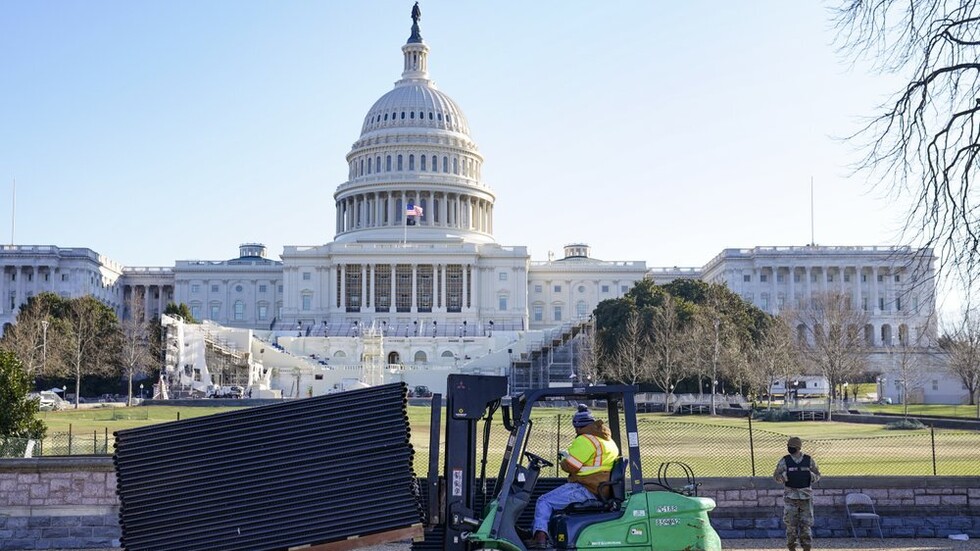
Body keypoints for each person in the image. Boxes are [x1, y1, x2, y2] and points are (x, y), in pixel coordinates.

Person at [530, 404, 619, 549]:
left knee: (544, 501)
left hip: (585, 489)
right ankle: (534, 531)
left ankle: (539, 539)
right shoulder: (606, 440)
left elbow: (570, 466)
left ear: (577, 427)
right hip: (598, 488)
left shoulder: (586, 440)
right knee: (551, 501)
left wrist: (562, 460)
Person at [773, 436, 821, 551]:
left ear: (798, 448)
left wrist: (810, 476)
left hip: (805, 496)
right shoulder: (785, 461)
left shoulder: (808, 460)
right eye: (789, 447)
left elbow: (817, 474)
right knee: (791, 525)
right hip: (791, 496)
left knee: (806, 525)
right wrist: (783, 477)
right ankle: (792, 547)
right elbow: (776, 476)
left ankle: (807, 547)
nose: (790, 449)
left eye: (792, 447)